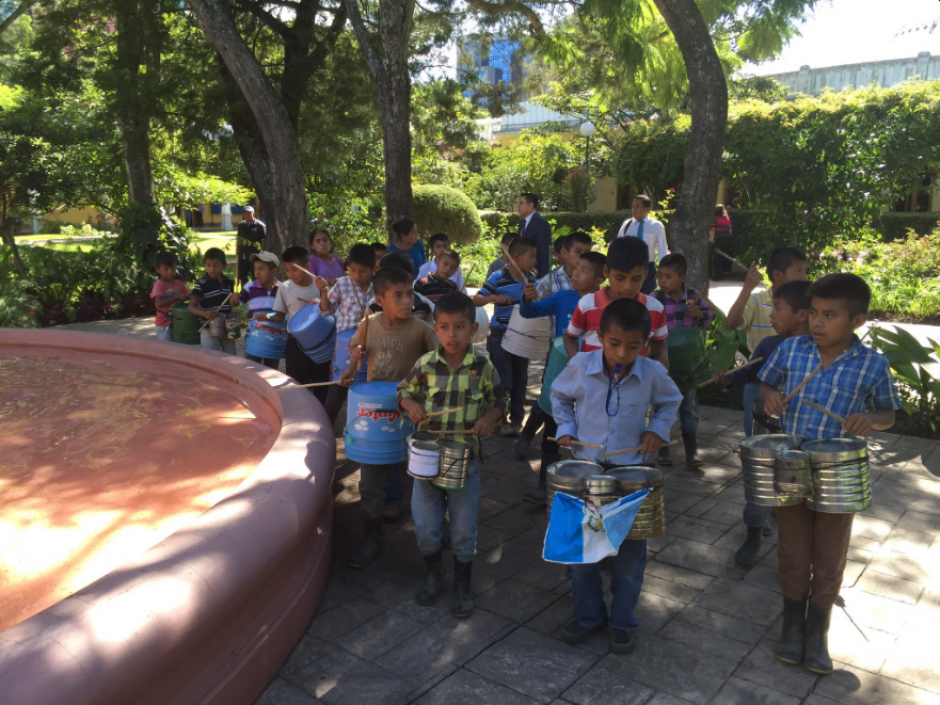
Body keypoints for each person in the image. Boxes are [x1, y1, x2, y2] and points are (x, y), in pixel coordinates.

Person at [758, 273, 901, 675]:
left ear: (857, 320)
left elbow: (889, 414)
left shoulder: (873, 365)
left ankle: (817, 632)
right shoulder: (791, 350)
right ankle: (791, 626)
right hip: (791, 464)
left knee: (829, 555)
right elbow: (766, 384)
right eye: (815, 313)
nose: (817, 323)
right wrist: (770, 397)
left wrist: (871, 419)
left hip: (839, 473)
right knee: (793, 551)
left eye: (830, 315)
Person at [551, 298, 682, 654]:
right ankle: (588, 616)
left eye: (633, 346)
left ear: (645, 342)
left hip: (632, 477)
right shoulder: (580, 365)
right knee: (584, 556)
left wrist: (657, 429)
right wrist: (565, 426)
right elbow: (558, 396)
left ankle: (624, 621)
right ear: (599, 335)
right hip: (588, 472)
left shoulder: (652, 372)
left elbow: (672, 401)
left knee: (628, 558)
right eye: (614, 344)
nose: (622, 352)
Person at [398, 292, 508, 618]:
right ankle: (434, 573)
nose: (452, 335)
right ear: (435, 328)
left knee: (463, 530)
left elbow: (501, 399)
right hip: (427, 460)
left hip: (465, 462)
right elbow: (403, 391)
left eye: (459, 327)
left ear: (473, 329)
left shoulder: (483, 367)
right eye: (444, 327)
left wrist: (490, 418)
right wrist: (411, 404)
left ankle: (463, 584)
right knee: (426, 527)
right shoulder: (426, 365)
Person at [340, 267, 437, 568]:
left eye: (410, 293)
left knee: (424, 473)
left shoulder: (421, 329)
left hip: (411, 413)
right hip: (376, 415)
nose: (407, 300)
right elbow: (356, 351)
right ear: (380, 300)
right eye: (399, 295)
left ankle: (435, 527)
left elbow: (440, 361)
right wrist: (351, 364)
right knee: (370, 480)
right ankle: (372, 535)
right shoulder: (369, 324)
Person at [713, 280, 812, 569]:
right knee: (761, 490)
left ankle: (801, 554)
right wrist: (730, 378)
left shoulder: (820, 350)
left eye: (777, 308)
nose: (770, 315)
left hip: (801, 437)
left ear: (801, 314)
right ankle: (753, 534)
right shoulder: (771, 344)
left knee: (796, 493)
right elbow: (751, 374)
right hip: (767, 432)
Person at [518, 251, 607, 504]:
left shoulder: (606, 306)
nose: (575, 273)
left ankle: (585, 491)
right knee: (553, 426)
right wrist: (526, 298)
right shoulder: (562, 297)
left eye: (583, 270)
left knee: (587, 435)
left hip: (593, 381)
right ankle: (543, 488)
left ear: (600, 279)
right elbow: (530, 312)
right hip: (562, 373)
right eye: (575, 268)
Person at [726, 247, 808, 436]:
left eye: (805, 271)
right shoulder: (756, 301)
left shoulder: (808, 302)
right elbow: (732, 323)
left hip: (794, 385)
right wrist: (747, 288)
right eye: (798, 271)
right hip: (759, 382)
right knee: (758, 440)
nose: (804, 276)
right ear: (777, 275)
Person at [565, 237, 668, 370]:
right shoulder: (587, 304)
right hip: (592, 384)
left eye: (636, 279)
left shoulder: (655, 309)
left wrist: (663, 363)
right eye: (620, 278)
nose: (627, 287)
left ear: (646, 274)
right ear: (606, 272)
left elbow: (659, 343)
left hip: (633, 385)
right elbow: (570, 337)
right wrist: (578, 362)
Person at [652, 253, 715, 468]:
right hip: (663, 362)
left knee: (688, 406)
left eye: (668, 277)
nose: (663, 281)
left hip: (687, 364)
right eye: (660, 276)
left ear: (682, 277)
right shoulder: (655, 298)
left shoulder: (692, 296)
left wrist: (698, 314)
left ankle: (692, 451)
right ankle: (662, 449)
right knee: (661, 405)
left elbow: (710, 315)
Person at [472, 237, 538, 437]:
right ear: (516, 257)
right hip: (501, 335)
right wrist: (493, 298)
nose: (535, 260)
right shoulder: (497, 277)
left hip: (524, 335)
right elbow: (476, 299)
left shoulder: (532, 278)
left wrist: (536, 298)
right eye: (531, 256)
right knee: (504, 379)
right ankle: (500, 420)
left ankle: (517, 419)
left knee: (521, 379)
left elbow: (537, 304)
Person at [257, 246, 330, 404]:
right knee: (297, 383)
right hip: (296, 342)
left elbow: (330, 310)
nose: (291, 274)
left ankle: (321, 418)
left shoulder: (319, 285)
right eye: (287, 270)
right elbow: (279, 315)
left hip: (319, 342)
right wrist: (267, 316)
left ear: (308, 267)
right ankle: (300, 412)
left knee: (321, 381)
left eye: (294, 270)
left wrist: (322, 296)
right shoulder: (285, 288)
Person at [317, 243, 377, 426]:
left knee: (366, 393)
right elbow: (326, 312)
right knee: (337, 391)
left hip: (371, 346)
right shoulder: (343, 283)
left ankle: (362, 431)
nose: (357, 276)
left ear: (373, 269)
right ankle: (325, 430)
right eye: (353, 271)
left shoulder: (380, 285)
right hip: (345, 346)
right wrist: (324, 292)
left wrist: (371, 317)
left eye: (363, 271)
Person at [615, 195, 669, 294]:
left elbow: (662, 250)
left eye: (637, 207)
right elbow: (618, 246)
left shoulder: (656, 226)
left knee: (647, 297)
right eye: (633, 206)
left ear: (646, 209)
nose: (634, 209)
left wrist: (663, 270)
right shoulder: (627, 225)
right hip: (628, 267)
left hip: (647, 268)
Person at [189, 247, 236, 354]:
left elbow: (230, 303)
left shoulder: (229, 281)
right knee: (211, 359)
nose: (212, 269)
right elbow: (191, 307)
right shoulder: (201, 284)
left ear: (224, 266)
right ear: (204, 266)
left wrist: (234, 304)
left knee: (232, 357)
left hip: (227, 326)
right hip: (209, 327)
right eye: (208, 265)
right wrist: (203, 313)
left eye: (216, 265)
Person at [240, 252, 282, 369]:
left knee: (272, 372)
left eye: (261, 269)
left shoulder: (282, 289)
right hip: (253, 337)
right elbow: (236, 303)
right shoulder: (250, 287)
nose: (257, 273)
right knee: (250, 370)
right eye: (255, 269)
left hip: (274, 337)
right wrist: (233, 299)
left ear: (273, 271)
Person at [151, 252, 190, 341]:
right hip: (163, 324)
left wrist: (186, 296)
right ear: (158, 269)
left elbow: (188, 295)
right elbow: (159, 303)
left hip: (178, 322)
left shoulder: (179, 284)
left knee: (179, 345)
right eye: (166, 269)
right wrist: (175, 297)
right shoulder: (159, 285)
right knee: (166, 348)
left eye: (173, 268)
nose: (170, 271)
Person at [516, 193, 553, 279]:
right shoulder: (522, 223)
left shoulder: (541, 224)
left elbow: (546, 253)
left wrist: (544, 278)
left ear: (530, 205)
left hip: (536, 274)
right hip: (522, 274)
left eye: (521, 203)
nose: (518, 206)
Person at [236, 205, 266, 285]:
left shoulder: (260, 226)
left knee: (255, 275)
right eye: (245, 213)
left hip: (255, 255)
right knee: (242, 275)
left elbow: (263, 241)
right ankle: (244, 292)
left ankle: (255, 292)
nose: (247, 215)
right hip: (243, 254)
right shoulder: (241, 225)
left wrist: (262, 253)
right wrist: (237, 250)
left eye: (249, 213)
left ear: (254, 214)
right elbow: (238, 239)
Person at [711, 205, 733, 280]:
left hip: (719, 239)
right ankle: (721, 275)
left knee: (717, 259)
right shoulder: (728, 218)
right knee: (722, 257)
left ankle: (718, 276)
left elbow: (712, 230)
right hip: (727, 240)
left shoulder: (716, 218)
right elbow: (730, 229)